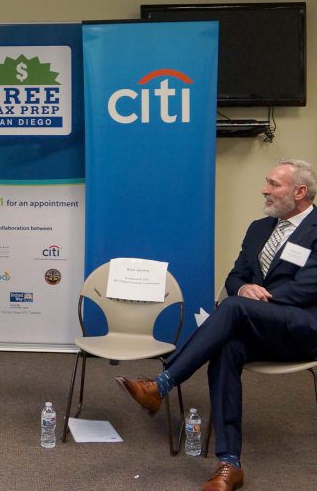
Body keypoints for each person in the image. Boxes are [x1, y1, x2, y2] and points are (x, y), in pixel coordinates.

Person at [117, 159, 317, 491]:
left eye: (273, 184)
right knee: (226, 347)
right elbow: (235, 275)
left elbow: (308, 287)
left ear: (299, 191)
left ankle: (163, 383)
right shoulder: (259, 228)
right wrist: (242, 288)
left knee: (234, 308)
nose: (264, 189)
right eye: (266, 182)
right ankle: (230, 464)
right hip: (260, 326)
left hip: (302, 328)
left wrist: (253, 300)